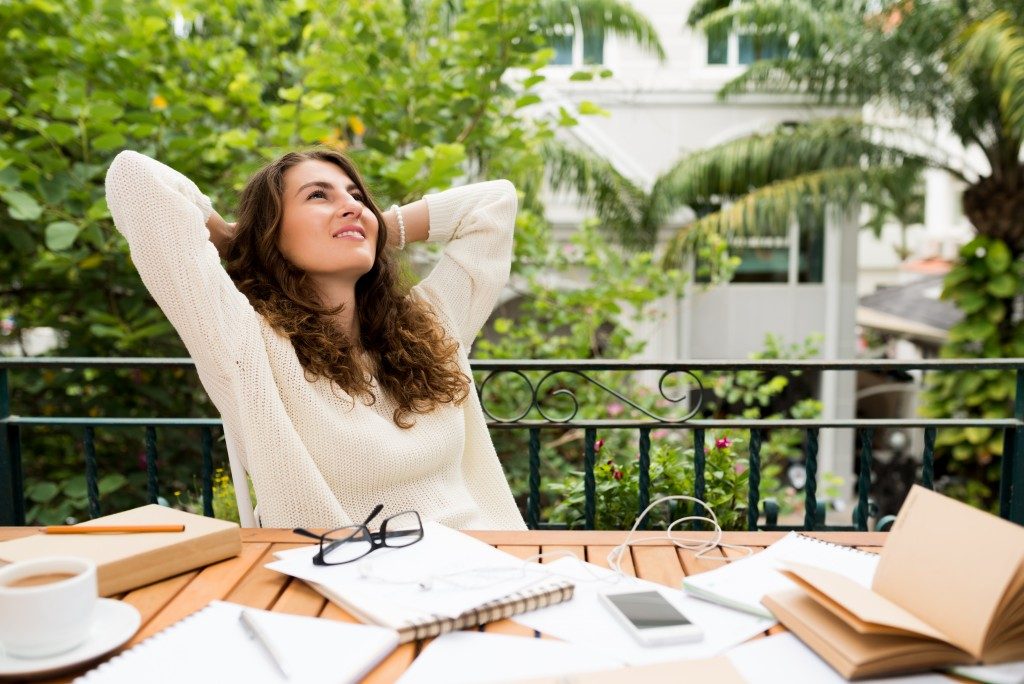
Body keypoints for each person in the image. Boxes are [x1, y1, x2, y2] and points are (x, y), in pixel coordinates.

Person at [105, 149, 526, 530]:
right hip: (350, 588)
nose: (351, 205)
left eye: (357, 196)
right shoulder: (249, 346)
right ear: (273, 231)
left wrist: (377, 227)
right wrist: (242, 241)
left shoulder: (430, 325)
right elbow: (135, 179)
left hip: (490, 566)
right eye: (318, 196)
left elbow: (495, 203)